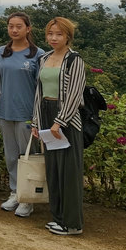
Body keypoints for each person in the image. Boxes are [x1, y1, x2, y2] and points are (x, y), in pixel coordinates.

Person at [32, 17, 86, 235]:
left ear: (68, 36)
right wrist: (36, 121)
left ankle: (72, 224)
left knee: (69, 171)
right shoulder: (44, 58)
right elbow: (38, 91)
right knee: (53, 169)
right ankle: (58, 217)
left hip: (67, 120)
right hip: (45, 115)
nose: (53, 38)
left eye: (59, 34)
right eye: (50, 34)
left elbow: (74, 94)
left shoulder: (74, 60)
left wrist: (59, 122)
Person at [0, 12, 45, 218]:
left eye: (18, 26)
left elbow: (40, 88)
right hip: (5, 111)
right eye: (10, 26)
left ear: (28, 29)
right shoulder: (1, 52)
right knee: (10, 155)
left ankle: (28, 199)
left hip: (26, 114)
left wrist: (37, 116)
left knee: (27, 157)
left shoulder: (38, 54)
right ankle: (15, 192)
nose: (14, 30)